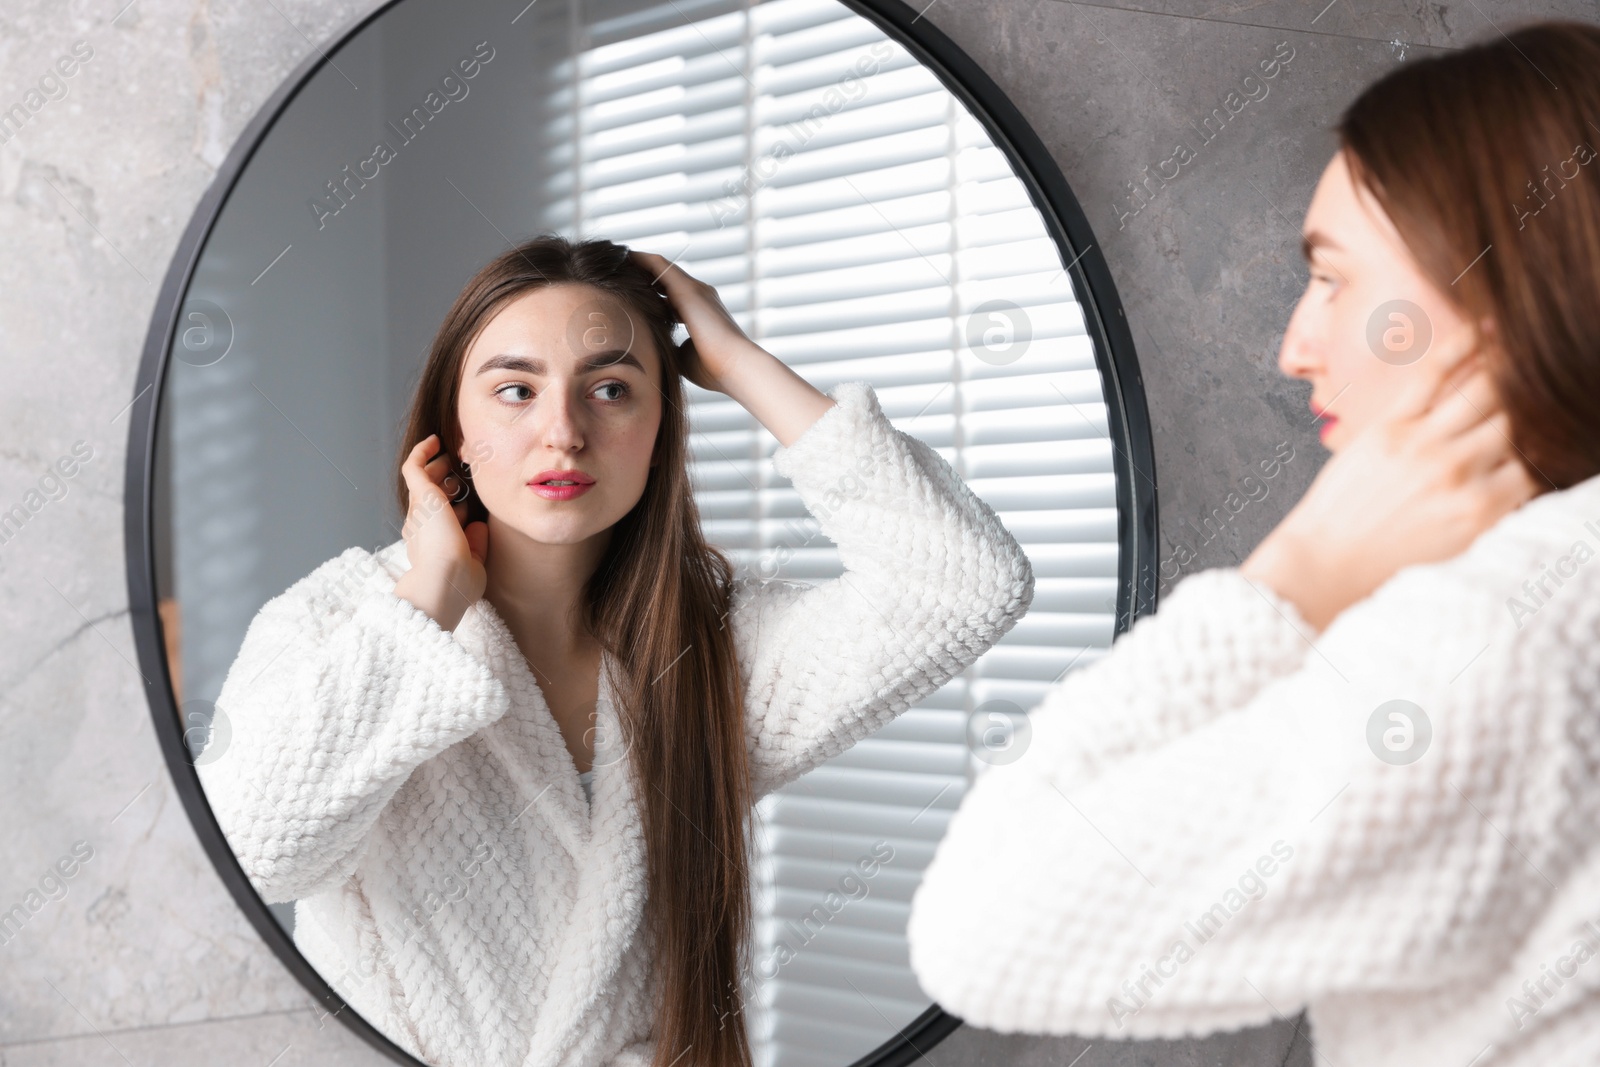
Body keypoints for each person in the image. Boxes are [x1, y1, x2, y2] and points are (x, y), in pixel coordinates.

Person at [906, 19, 1600, 1067]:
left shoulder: (1508, 642)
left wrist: (1293, 576)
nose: (1292, 348)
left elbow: (983, 928)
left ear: (1504, 289)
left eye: (1333, 278)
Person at [197, 235, 1033, 1067]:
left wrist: (738, 362)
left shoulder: (712, 650)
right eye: (516, 390)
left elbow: (962, 585)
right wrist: (432, 599)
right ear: (452, 425)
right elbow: (252, 849)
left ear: (660, 422)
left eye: (610, 388)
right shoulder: (337, 621)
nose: (562, 432)